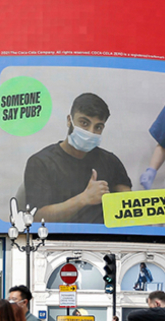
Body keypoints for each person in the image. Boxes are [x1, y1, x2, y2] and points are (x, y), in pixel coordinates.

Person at [22, 93, 132, 225]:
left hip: (104, 239)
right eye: (84, 123)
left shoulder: (111, 161)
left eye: (98, 127)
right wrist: (83, 199)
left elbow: (129, 207)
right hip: (59, 240)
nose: (90, 132)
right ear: (69, 120)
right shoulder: (41, 162)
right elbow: (37, 217)